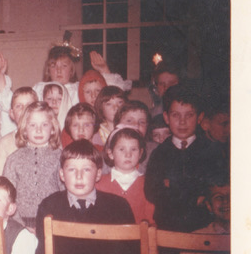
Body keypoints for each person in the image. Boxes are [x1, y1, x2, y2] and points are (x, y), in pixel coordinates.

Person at [144, 84, 226, 233]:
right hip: (166, 229)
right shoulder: (159, 154)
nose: (182, 122)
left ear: (200, 118)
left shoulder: (212, 151)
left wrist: (172, 185)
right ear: (166, 118)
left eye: (189, 115)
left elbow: (212, 189)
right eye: (176, 115)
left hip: (203, 230)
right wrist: (194, 195)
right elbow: (151, 192)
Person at [3, 102, 63, 231]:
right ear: (24, 129)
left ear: (52, 128)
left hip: (53, 223)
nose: (38, 130)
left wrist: (57, 222)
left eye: (44, 125)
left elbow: (65, 194)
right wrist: (20, 225)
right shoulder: (14, 159)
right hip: (20, 223)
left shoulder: (60, 158)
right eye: (33, 125)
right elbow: (7, 195)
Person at [33, 45, 131, 106]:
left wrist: (104, 70)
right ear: (48, 70)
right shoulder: (39, 88)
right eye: (54, 66)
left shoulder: (78, 88)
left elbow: (114, 95)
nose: (58, 70)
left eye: (64, 66)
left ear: (71, 70)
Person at [96, 126, 154, 224]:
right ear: (110, 153)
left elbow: (151, 221)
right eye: (122, 149)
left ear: (140, 153)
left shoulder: (149, 184)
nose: (128, 155)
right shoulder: (99, 184)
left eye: (133, 149)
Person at [176, 175, 230, 254]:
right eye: (219, 197)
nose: (226, 201)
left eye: (232, 196)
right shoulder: (193, 241)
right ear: (209, 206)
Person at [0, 87, 38, 175]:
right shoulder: (4, 143)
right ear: (11, 113)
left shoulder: (48, 138)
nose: (25, 109)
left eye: (29, 105)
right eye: (19, 106)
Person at [112, 100, 158, 174]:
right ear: (118, 124)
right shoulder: (111, 150)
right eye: (129, 121)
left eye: (142, 122)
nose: (136, 125)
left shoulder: (155, 151)